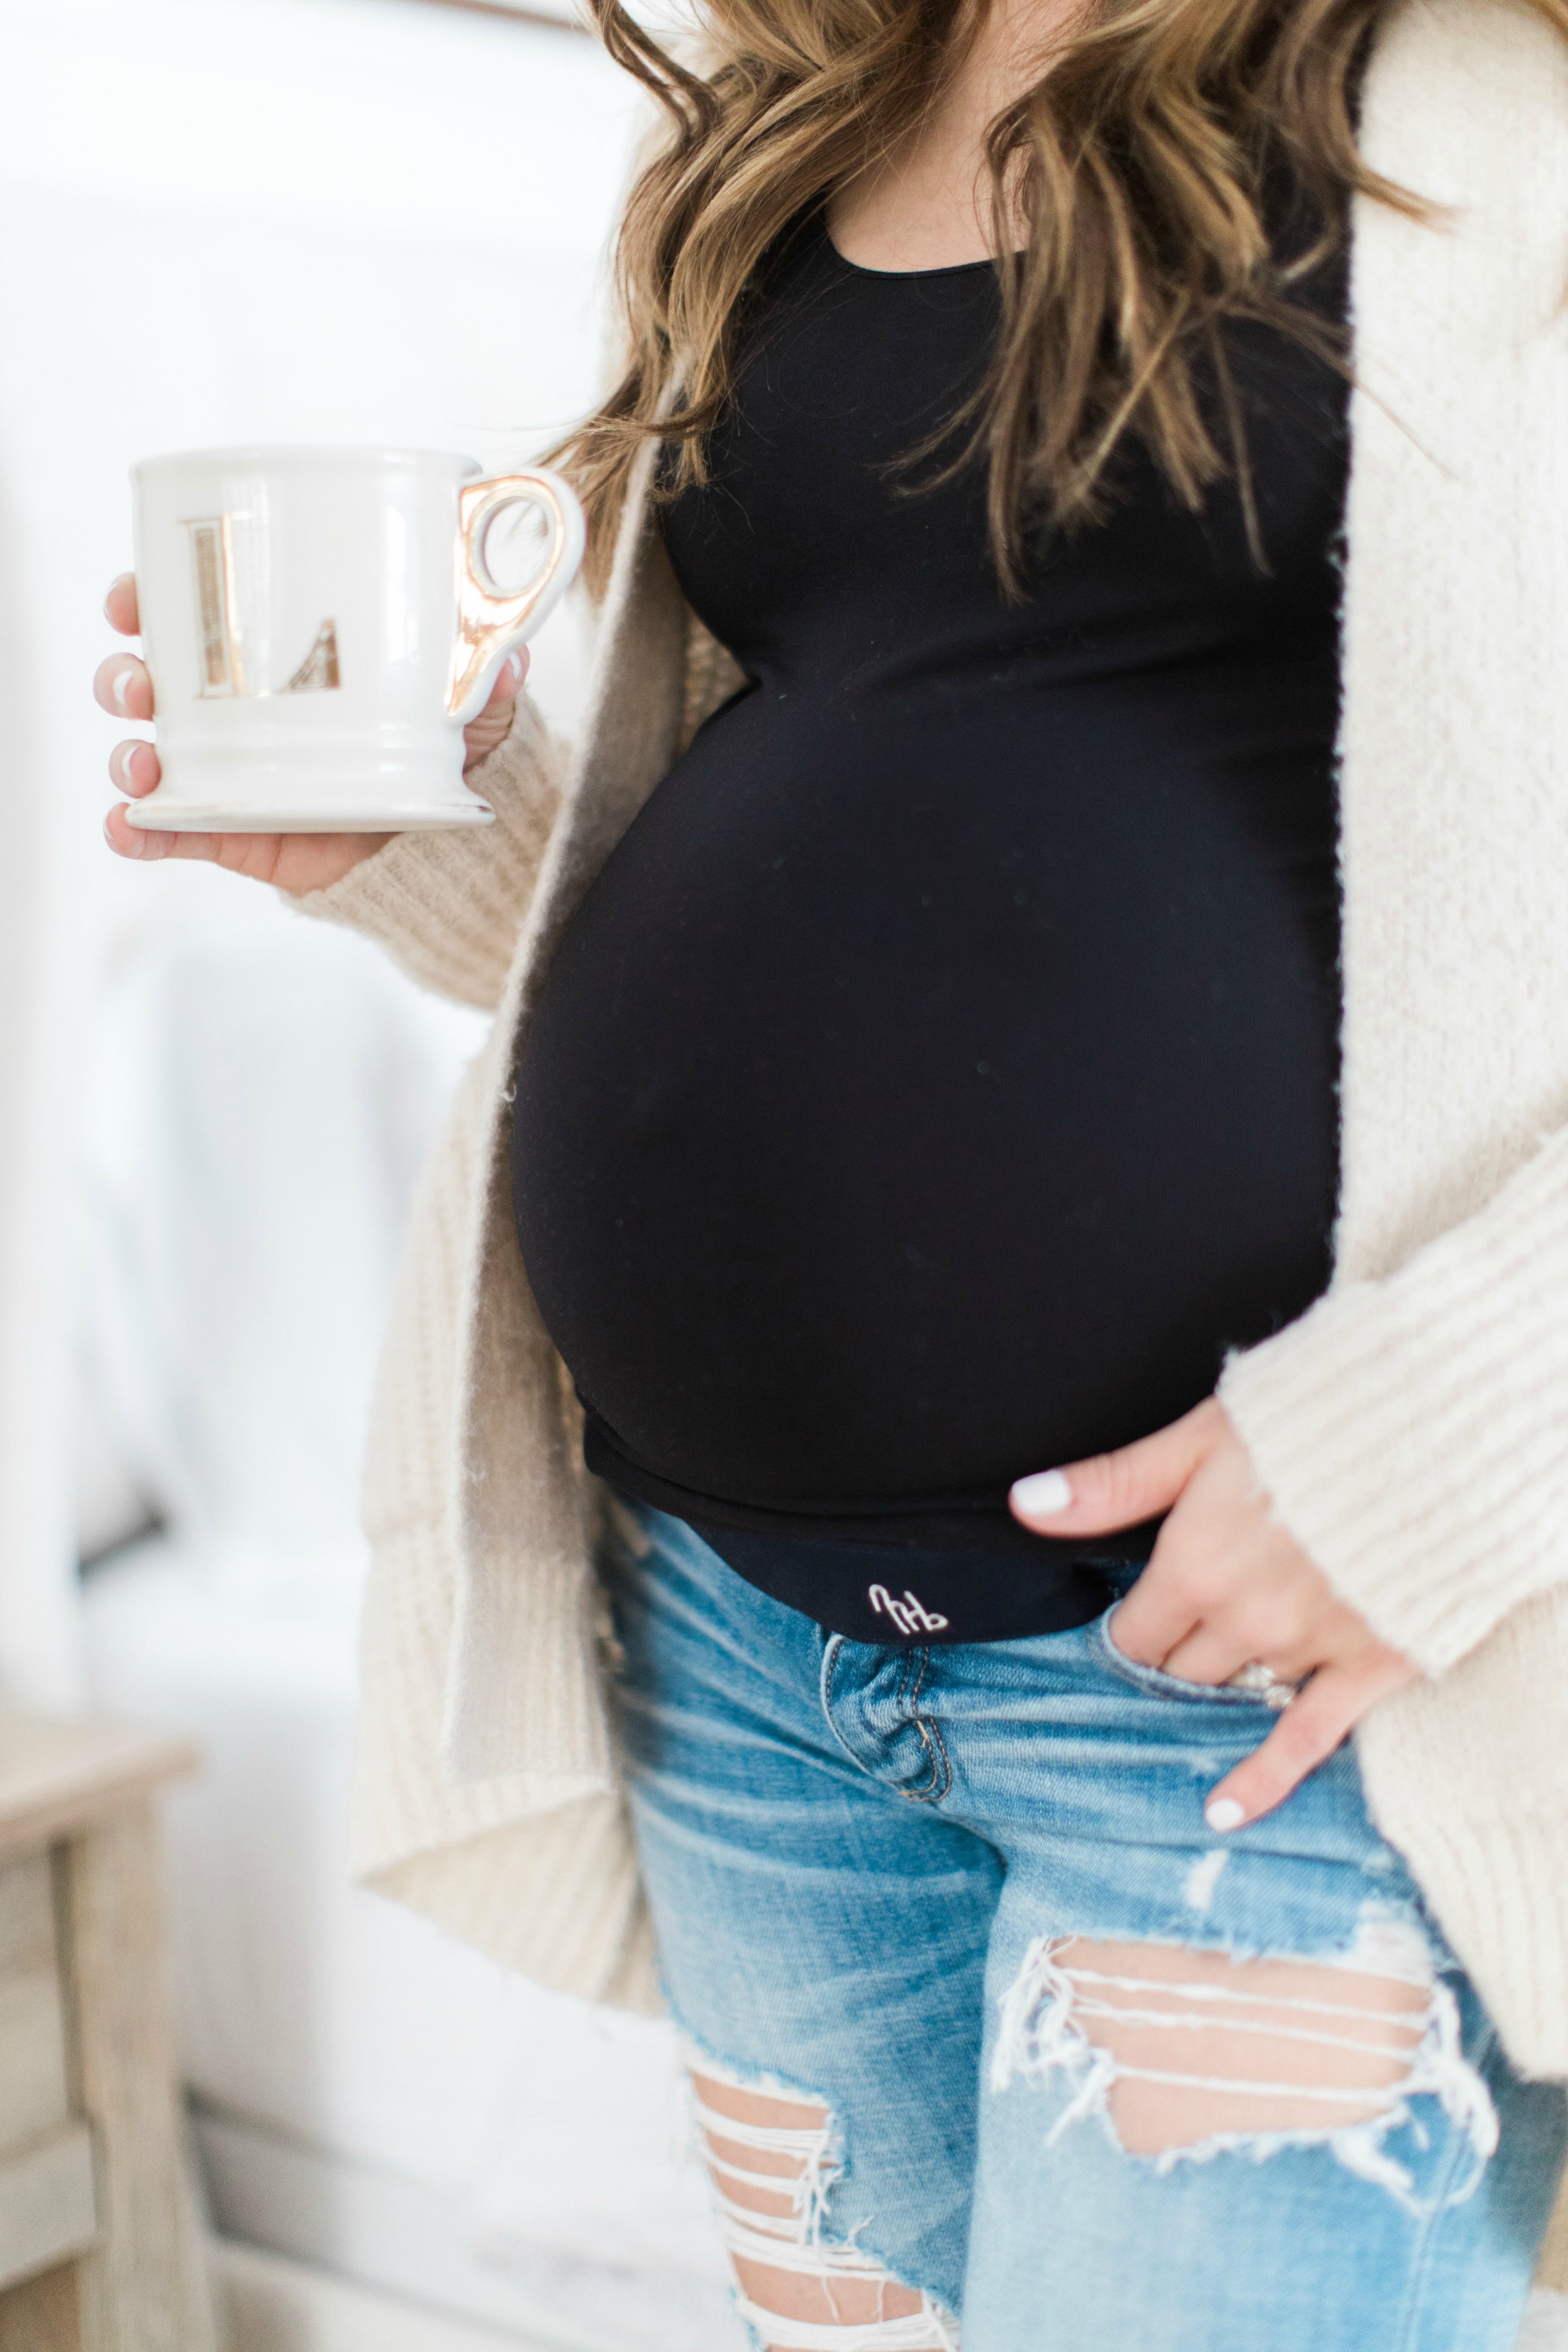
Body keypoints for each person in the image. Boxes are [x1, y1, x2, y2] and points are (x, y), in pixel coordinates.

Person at [96, 0, 1568, 2340]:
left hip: (1247, 1697)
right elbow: (860, 789)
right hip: (745, 1655)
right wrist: (415, 833)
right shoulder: (809, 106)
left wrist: (1449, 1448)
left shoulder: (1499, 105)